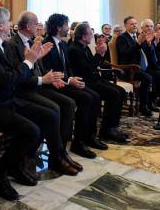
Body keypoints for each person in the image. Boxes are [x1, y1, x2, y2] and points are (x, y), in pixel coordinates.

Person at [0, 7, 77, 201]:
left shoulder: (0, 44)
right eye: (8, 21)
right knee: (31, 130)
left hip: (5, 99)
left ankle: (17, 164)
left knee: (48, 116)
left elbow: (14, 73)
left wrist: (32, 59)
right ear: (0, 25)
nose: (11, 24)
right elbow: (8, 79)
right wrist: (29, 61)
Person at [6, 11, 81, 168]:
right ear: (28, 26)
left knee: (68, 104)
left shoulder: (32, 42)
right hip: (23, 91)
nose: (40, 26)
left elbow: (38, 69)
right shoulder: (12, 45)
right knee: (55, 109)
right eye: (37, 23)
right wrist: (43, 80)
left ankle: (61, 153)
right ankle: (55, 155)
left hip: (37, 86)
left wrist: (50, 79)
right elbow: (18, 77)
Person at [42, 14, 116, 152]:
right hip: (54, 85)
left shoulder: (63, 44)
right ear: (58, 27)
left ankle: (90, 136)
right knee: (87, 98)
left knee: (94, 96)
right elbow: (48, 70)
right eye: (65, 25)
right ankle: (78, 142)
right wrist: (69, 80)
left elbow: (68, 67)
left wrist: (72, 78)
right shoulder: (47, 44)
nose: (68, 28)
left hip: (67, 81)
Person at [68, 23, 128, 144]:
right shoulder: (74, 49)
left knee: (120, 91)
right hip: (86, 82)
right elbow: (87, 69)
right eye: (90, 34)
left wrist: (99, 54)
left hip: (95, 79)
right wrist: (99, 54)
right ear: (84, 37)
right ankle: (106, 130)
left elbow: (94, 64)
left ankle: (112, 126)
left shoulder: (84, 47)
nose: (92, 36)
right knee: (114, 94)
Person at [116, 16, 154, 117]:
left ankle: (149, 103)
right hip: (128, 69)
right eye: (132, 24)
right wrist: (137, 43)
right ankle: (143, 106)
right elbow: (125, 54)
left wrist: (149, 44)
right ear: (125, 25)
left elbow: (146, 53)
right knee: (147, 78)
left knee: (155, 75)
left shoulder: (138, 35)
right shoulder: (122, 38)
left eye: (136, 23)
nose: (134, 25)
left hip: (140, 67)